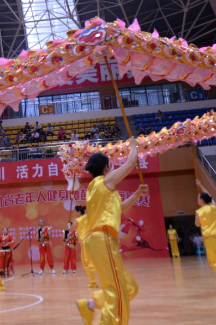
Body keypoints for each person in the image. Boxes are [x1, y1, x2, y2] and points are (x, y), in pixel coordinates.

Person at [76, 139, 147, 325]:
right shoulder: (105, 181)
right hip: (102, 239)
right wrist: (133, 147)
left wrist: (137, 195)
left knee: (129, 288)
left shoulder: (95, 189)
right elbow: (131, 163)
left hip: (99, 241)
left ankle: (90, 305)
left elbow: (120, 208)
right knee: (116, 294)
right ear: (107, 168)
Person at [72, 205, 97, 288]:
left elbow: (70, 229)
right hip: (91, 240)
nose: (74, 213)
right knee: (89, 261)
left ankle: (97, 276)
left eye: (75, 212)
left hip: (84, 241)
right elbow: (79, 207)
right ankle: (93, 282)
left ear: (79, 212)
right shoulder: (86, 216)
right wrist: (74, 199)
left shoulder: (77, 221)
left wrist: (69, 225)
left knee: (86, 262)